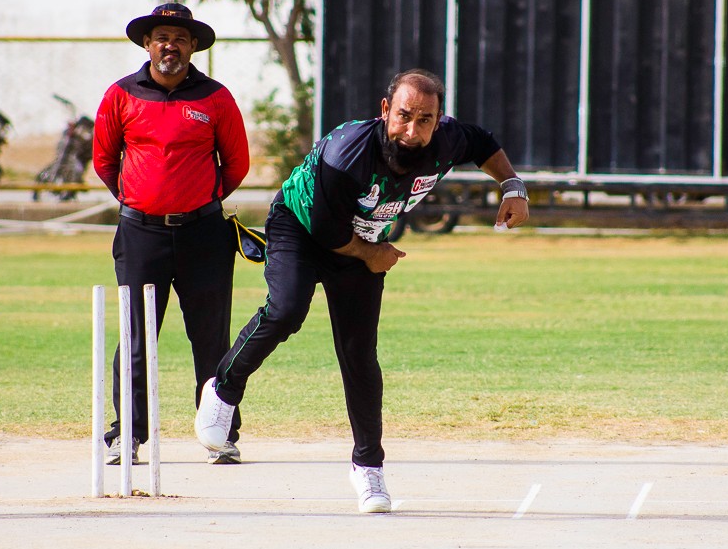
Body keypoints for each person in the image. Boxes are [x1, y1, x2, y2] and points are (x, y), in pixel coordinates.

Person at [194, 69, 529, 512]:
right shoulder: (347, 152)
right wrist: (372, 254)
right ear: (385, 110)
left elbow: (483, 143)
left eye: (425, 120)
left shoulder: (448, 139)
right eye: (404, 116)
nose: (412, 132)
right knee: (287, 310)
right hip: (301, 226)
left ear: (438, 120)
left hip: (364, 238)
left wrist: (512, 186)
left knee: (359, 353)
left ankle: (368, 467)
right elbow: (326, 230)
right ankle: (223, 388)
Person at [93, 3, 250, 466]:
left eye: (180, 39)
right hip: (141, 234)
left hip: (204, 234)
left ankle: (220, 434)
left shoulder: (215, 97)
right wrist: (142, 200)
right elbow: (105, 160)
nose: (170, 46)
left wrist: (199, 200)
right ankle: (128, 434)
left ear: (193, 46)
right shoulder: (121, 95)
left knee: (211, 338)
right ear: (147, 43)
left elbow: (236, 164)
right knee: (135, 336)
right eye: (162, 37)